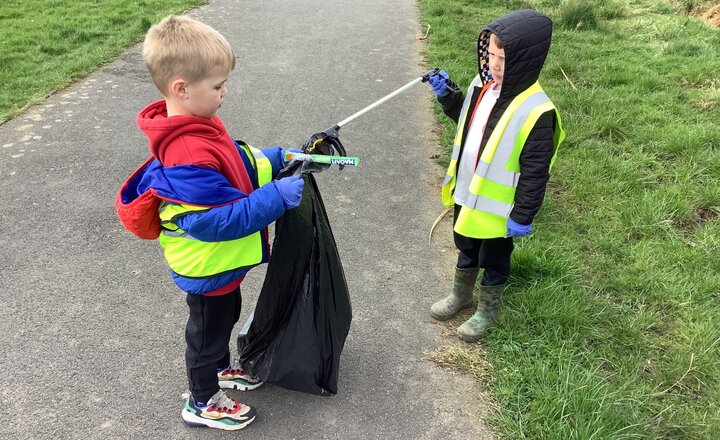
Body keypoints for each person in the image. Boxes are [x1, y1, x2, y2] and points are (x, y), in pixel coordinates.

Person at [115, 15, 304, 430]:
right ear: (181, 88)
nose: (225, 93)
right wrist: (275, 198)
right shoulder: (185, 151)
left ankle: (219, 369)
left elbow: (235, 161)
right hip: (206, 264)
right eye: (218, 86)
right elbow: (212, 221)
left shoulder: (199, 123)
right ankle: (201, 401)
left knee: (227, 314)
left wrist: (275, 159)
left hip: (221, 266)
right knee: (206, 333)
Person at [426, 9, 565, 342]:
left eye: (503, 58)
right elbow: (469, 122)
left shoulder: (537, 111)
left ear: (526, 60)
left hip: (500, 210)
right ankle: (461, 295)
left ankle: (487, 311)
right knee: (466, 245)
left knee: (494, 258)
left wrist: (523, 214)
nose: (495, 63)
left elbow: (535, 171)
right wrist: (449, 97)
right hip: (468, 193)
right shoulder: (481, 86)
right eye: (490, 54)